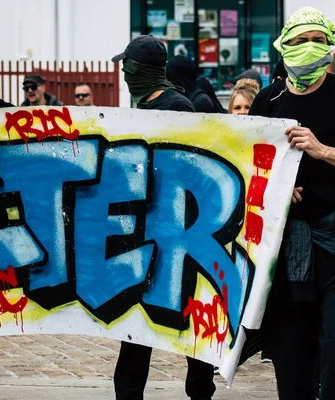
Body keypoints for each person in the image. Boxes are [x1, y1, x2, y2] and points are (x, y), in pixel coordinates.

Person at [249, 7, 335, 400]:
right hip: (287, 240)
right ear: (282, 46)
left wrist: (323, 149)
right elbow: (250, 167)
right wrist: (278, 186)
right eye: (298, 40)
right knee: (291, 348)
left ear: (330, 45)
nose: (309, 48)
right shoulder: (268, 98)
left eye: (317, 40)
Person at [110, 35, 216, 400]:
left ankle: (201, 388)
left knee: (186, 319)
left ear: (137, 70)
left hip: (178, 237)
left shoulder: (178, 107)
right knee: (136, 323)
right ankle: (128, 392)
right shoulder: (141, 108)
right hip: (145, 234)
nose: (123, 73)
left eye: (127, 66)